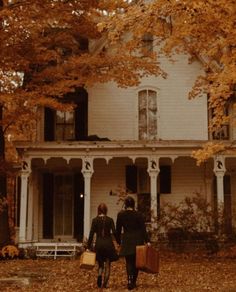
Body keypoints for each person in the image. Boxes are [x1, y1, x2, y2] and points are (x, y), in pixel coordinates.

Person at [116, 196, 150, 290]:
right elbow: (143, 229)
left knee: (129, 261)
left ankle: (129, 280)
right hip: (137, 240)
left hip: (127, 240)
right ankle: (134, 281)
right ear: (134, 204)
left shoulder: (121, 215)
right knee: (137, 262)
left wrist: (119, 241)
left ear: (126, 205)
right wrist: (147, 241)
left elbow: (117, 230)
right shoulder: (139, 215)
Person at [87, 203, 118, 289]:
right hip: (108, 244)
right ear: (106, 210)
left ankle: (100, 274)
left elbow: (91, 234)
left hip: (99, 244)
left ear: (98, 210)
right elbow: (114, 232)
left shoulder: (95, 220)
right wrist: (119, 241)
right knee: (108, 264)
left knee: (100, 263)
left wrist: (88, 246)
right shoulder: (110, 220)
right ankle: (105, 284)